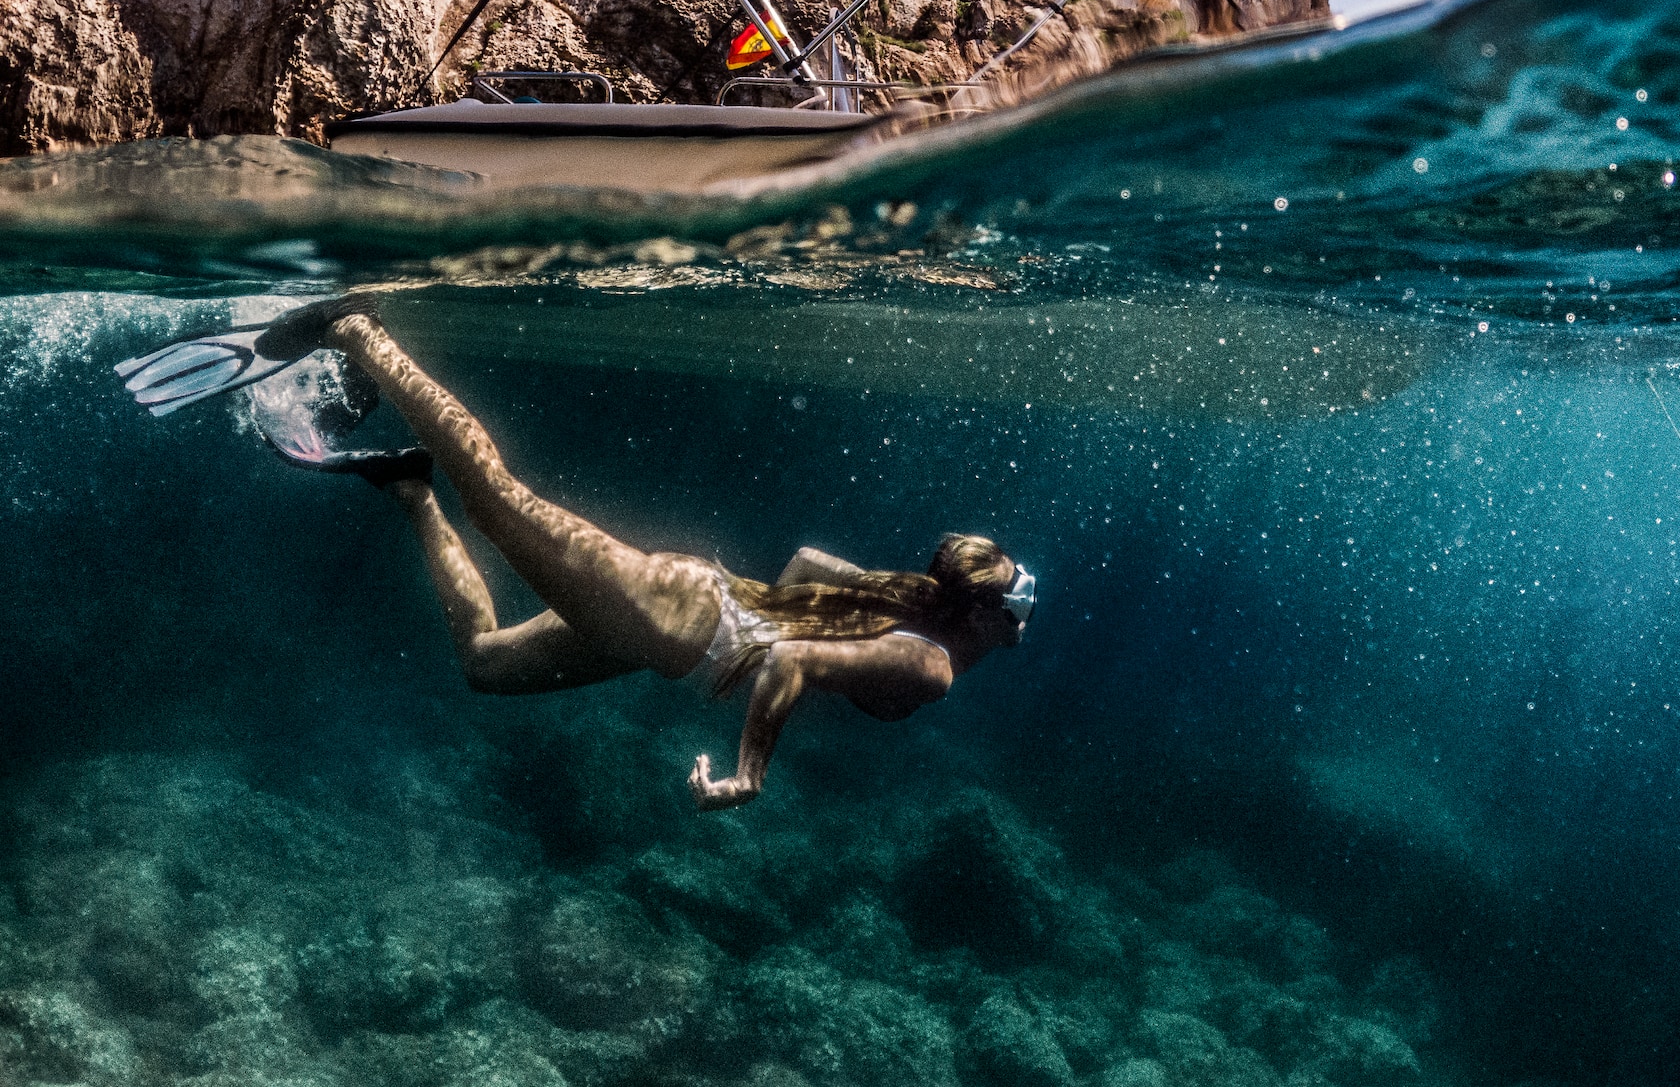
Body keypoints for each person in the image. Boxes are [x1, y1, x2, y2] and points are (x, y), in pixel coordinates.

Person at [115, 300, 1036, 810]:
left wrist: (747, 623)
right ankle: (358, 332)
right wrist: (752, 770)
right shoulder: (931, 662)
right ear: (982, 616)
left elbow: (797, 566)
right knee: (500, 496)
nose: (1018, 631)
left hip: (670, 621)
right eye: (1017, 618)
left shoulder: (904, 607)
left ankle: (406, 486)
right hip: (665, 613)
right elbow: (793, 658)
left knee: (484, 665)